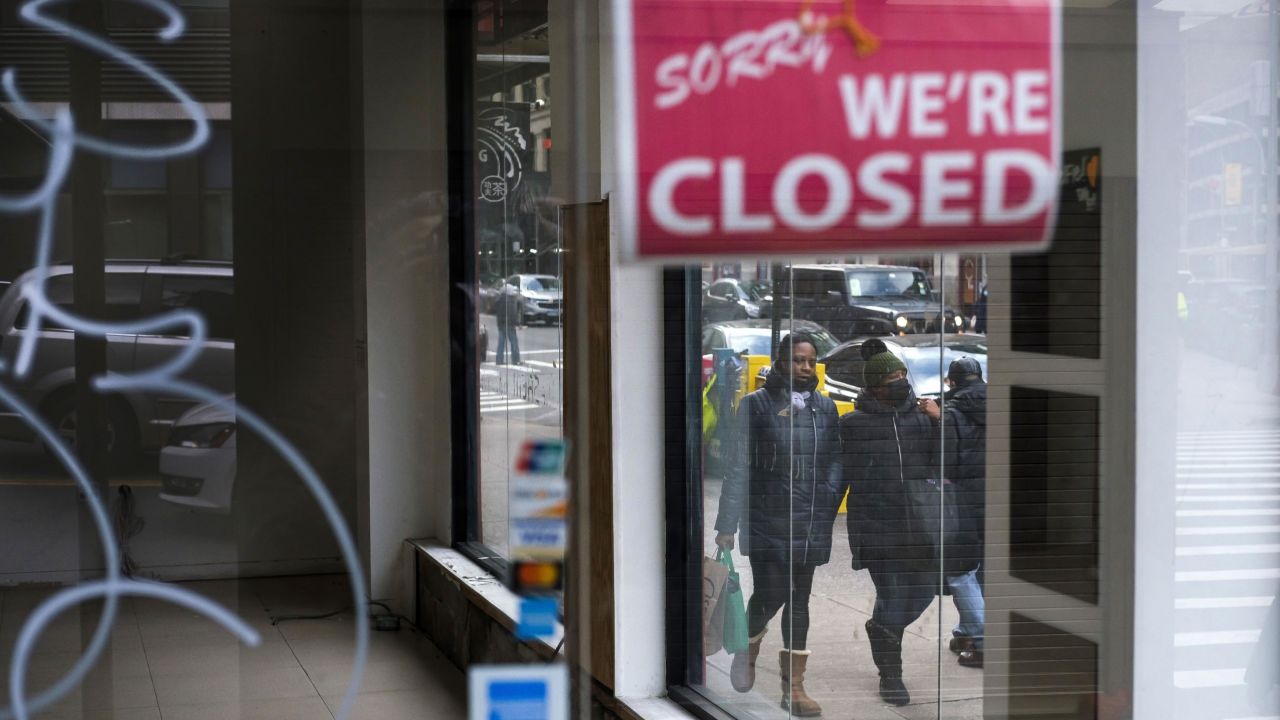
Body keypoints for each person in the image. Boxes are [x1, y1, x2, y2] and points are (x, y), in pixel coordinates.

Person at [714, 332, 843, 717]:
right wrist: (727, 523)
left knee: (799, 601)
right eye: (797, 360)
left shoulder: (826, 407)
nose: (805, 367)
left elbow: (837, 458)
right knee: (770, 594)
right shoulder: (756, 405)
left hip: (811, 521)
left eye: (810, 361)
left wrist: (829, 494)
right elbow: (737, 465)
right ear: (781, 362)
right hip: (768, 517)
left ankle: (794, 688)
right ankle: (746, 650)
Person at [838, 340, 939, 706]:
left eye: (902, 374)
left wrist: (941, 422)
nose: (900, 381)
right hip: (878, 530)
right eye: (892, 376)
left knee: (925, 592)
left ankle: (881, 629)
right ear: (875, 385)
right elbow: (838, 479)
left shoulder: (921, 419)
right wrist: (817, 525)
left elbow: (947, 463)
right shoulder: (852, 425)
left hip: (921, 528)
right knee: (894, 598)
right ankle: (891, 675)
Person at [920, 356, 987, 668]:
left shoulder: (950, 412)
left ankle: (984, 641)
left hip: (962, 500)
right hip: (997, 498)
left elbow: (943, 462)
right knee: (983, 570)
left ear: (951, 382)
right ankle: (967, 631)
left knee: (960, 571)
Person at [494, 282, 521, 365]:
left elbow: (496, 311)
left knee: (501, 343)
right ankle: (516, 360)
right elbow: (513, 313)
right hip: (509, 324)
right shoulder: (511, 300)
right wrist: (517, 323)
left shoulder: (499, 300)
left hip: (500, 324)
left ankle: (499, 360)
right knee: (514, 342)